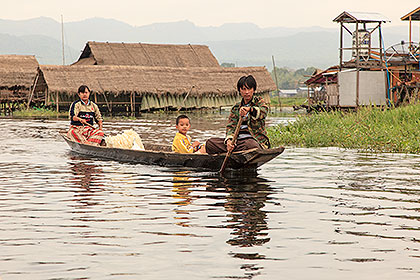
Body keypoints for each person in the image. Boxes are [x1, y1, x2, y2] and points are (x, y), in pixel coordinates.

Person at [205, 75, 270, 154]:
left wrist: (250, 109)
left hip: (254, 141)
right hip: (238, 143)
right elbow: (231, 127)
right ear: (239, 90)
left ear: (254, 90)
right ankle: (235, 150)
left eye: (249, 89)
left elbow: (264, 112)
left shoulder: (258, 102)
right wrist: (229, 141)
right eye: (243, 89)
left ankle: (240, 151)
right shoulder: (236, 108)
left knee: (250, 145)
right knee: (210, 143)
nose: (246, 92)